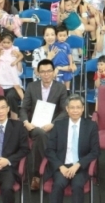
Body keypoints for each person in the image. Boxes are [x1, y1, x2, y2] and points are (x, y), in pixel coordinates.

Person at [20, 58, 69, 190]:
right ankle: (50, 170)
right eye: (43, 72)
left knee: (42, 138)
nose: (46, 74)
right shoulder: (31, 86)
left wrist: (53, 124)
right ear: (38, 73)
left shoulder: (61, 87)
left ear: (54, 72)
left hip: (53, 126)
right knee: (41, 134)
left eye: (49, 71)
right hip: (34, 126)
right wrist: (26, 122)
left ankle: (37, 174)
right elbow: (24, 108)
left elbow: (65, 111)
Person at [45, 95, 99, 203]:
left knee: (78, 185)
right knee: (58, 185)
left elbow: (95, 151)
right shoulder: (59, 125)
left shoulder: (91, 126)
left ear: (83, 108)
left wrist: (78, 165)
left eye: (78, 107)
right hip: (62, 166)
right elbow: (49, 150)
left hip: (80, 166)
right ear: (67, 109)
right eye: (72, 107)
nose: (75, 110)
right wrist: (60, 166)